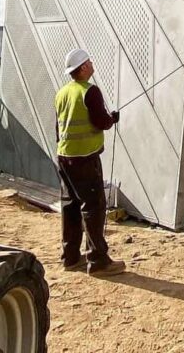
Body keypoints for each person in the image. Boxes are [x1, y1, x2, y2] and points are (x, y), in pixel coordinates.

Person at [55, 48, 125, 275]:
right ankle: (98, 261)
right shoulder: (90, 91)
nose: (92, 64)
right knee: (94, 207)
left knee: (70, 206)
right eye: (90, 62)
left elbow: (59, 126)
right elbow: (101, 122)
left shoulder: (62, 93)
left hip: (64, 156)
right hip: (85, 157)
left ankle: (71, 257)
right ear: (83, 67)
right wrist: (112, 119)